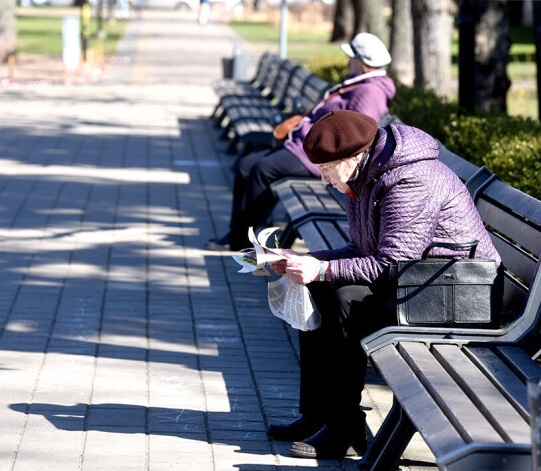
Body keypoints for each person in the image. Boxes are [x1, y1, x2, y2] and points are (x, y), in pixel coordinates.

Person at [265, 109, 501, 459]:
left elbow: (392, 261)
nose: (326, 180)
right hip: (419, 283)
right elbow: (361, 251)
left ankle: (345, 431)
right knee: (314, 287)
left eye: (328, 169)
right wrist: (303, 260)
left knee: (346, 299)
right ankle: (319, 415)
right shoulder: (365, 178)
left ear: (355, 156)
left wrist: (322, 269)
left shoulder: (410, 179)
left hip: (455, 294)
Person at [205, 32, 396, 251]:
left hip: (320, 158)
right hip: (305, 147)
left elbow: (360, 136)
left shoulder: (370, 91)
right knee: (246, 166)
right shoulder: (361, 84)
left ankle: (239, 238)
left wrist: (329, 156)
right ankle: (237, 233)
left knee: (261, 170)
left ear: (364, 64)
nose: (348, 62)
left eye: (352, 58)